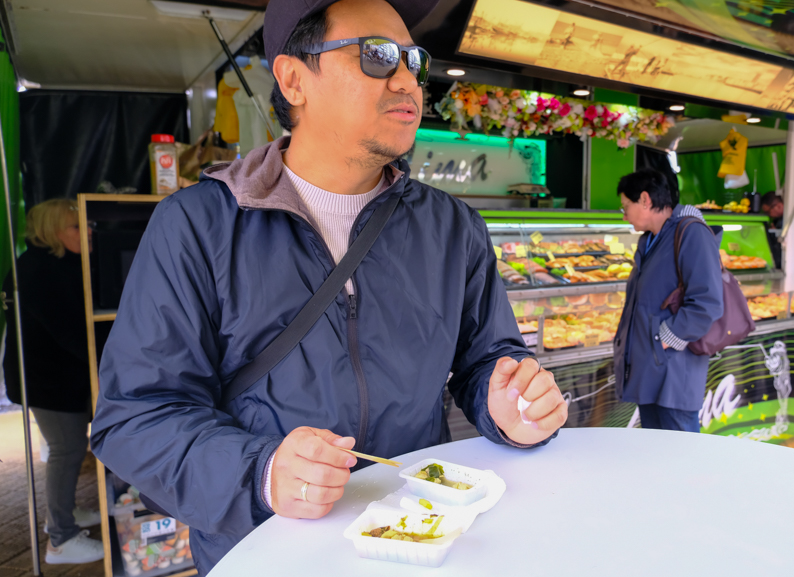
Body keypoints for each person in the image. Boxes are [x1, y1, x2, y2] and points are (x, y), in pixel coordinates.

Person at [89, 1, 568, 573]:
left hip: (422, 539)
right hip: (269, 549)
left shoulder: (452, 227)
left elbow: (486, 357)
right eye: (378, 56)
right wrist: (261, 472)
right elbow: (135, 416)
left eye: (414, 60)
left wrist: (508, 399)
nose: (408, 80)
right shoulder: (198, 226)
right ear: (293, 79)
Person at [3, 199, 103, 564]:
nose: (87, 232)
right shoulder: (38, 271)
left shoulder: (55, 263)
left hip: (57, 377)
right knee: (67, 448)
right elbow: (69, 332)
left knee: (71, 446)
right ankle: (60, 539)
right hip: (46, 381)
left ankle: (68, 513)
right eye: (77, 227)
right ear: (52, 233)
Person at [612, 170, 724, 432]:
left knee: (681, 456)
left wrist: (662, 340)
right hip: (649, 367)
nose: (624, 214)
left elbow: (707, 302)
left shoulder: (690, 233)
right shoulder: (650, 240)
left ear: (645, 200)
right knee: (655, 452)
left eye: (625, 206)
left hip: (675, 370)